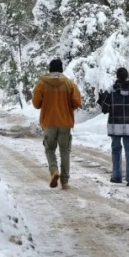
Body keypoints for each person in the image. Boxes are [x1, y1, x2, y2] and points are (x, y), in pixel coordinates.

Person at [32, 59, 82, 190]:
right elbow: (77, 102)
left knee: (49, 149)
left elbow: (36, 104)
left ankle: (54, 171)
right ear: (61, 69)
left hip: (49, 123)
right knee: (65, 152)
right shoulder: (69, 83)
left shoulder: (42, 83)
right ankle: (64, 182)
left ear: (50, 69)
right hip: (65, 123)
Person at [97, 68, 129, 187]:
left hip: (115, 125)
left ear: (117, 76)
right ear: (127, 76)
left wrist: (101, 99)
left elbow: (105, 109)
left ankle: (117, 176)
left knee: (116, 150)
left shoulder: (111, 90)